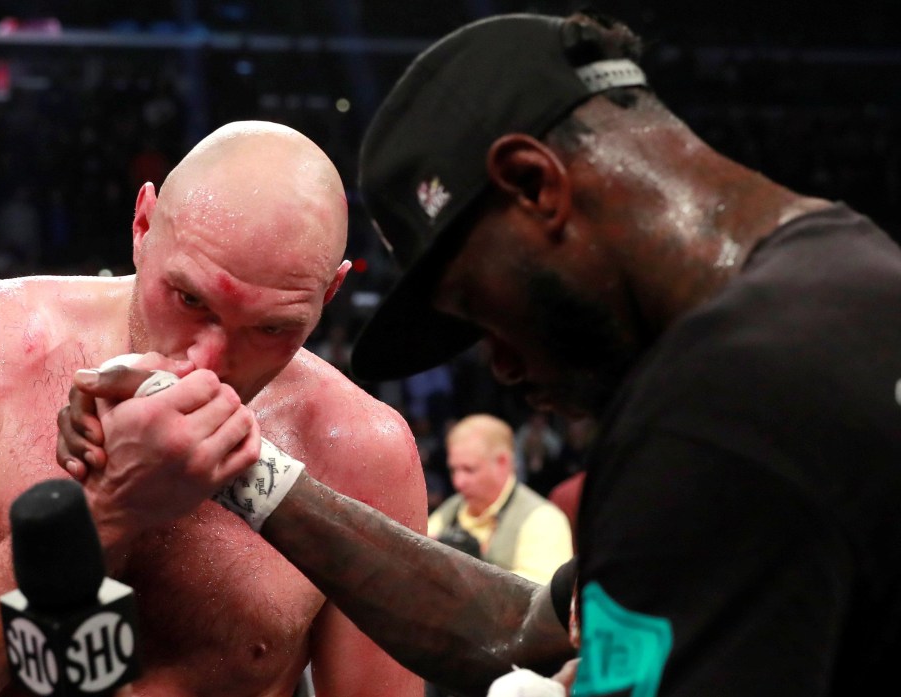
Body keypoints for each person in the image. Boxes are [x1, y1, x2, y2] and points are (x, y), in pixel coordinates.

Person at [58, 11, 901, 697]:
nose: (498, 363)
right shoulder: (853, 282)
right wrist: (242, 468)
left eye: (476, 308)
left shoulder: (717, 409)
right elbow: (529, 630)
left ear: (535, 184)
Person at [0, 120, 426, 697]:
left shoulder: (364, 450)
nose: (208, 362)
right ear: (143, 225)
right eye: (190, 299)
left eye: (272, 327)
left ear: (327, 296)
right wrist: (107, 511)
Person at [428, 413, 573, 585]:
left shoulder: (544, 519)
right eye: (453, 470)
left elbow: (542, 595)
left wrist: (474, 574)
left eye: (469, 470)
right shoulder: (449, 510)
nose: (458, 482)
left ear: (502, 462)